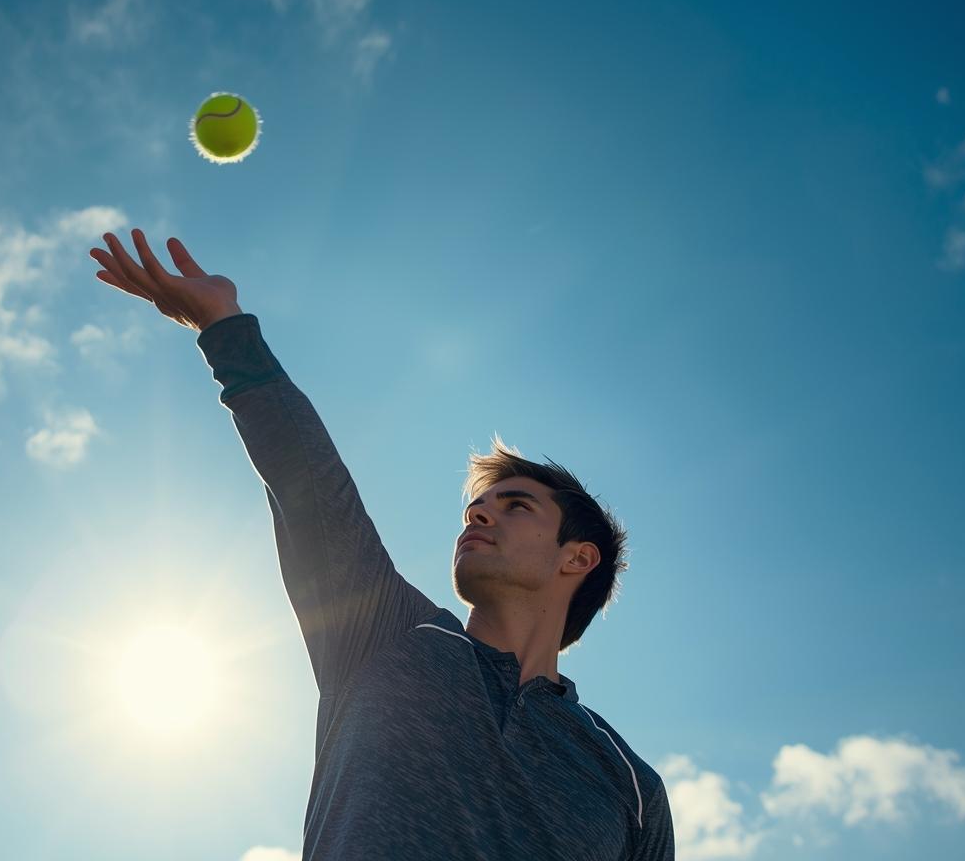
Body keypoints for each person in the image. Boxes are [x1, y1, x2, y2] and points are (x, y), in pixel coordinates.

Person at [90, 229, 675, 860]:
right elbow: (311, 486)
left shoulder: (632, 787)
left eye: (516, 505)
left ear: (577, 557)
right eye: (475, 506)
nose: (478, 516)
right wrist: (224, 326)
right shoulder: (388, 635)